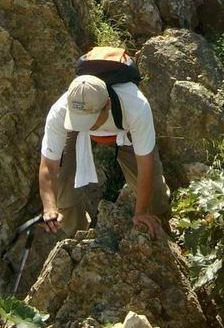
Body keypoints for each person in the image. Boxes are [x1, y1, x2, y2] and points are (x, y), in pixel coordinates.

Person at [39, 73, 170, 240]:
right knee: (62, 192)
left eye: (90, 120)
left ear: (107, 104)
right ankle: (78, 237)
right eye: (79, 119)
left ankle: (160, 229)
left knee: (155, 194)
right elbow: (49, 166)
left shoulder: (136, 107)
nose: (86, 126)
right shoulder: (60, 112)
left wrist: (141, 212)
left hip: (124, 128)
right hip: (75, 132)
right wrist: (49, 208)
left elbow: (145, 164)